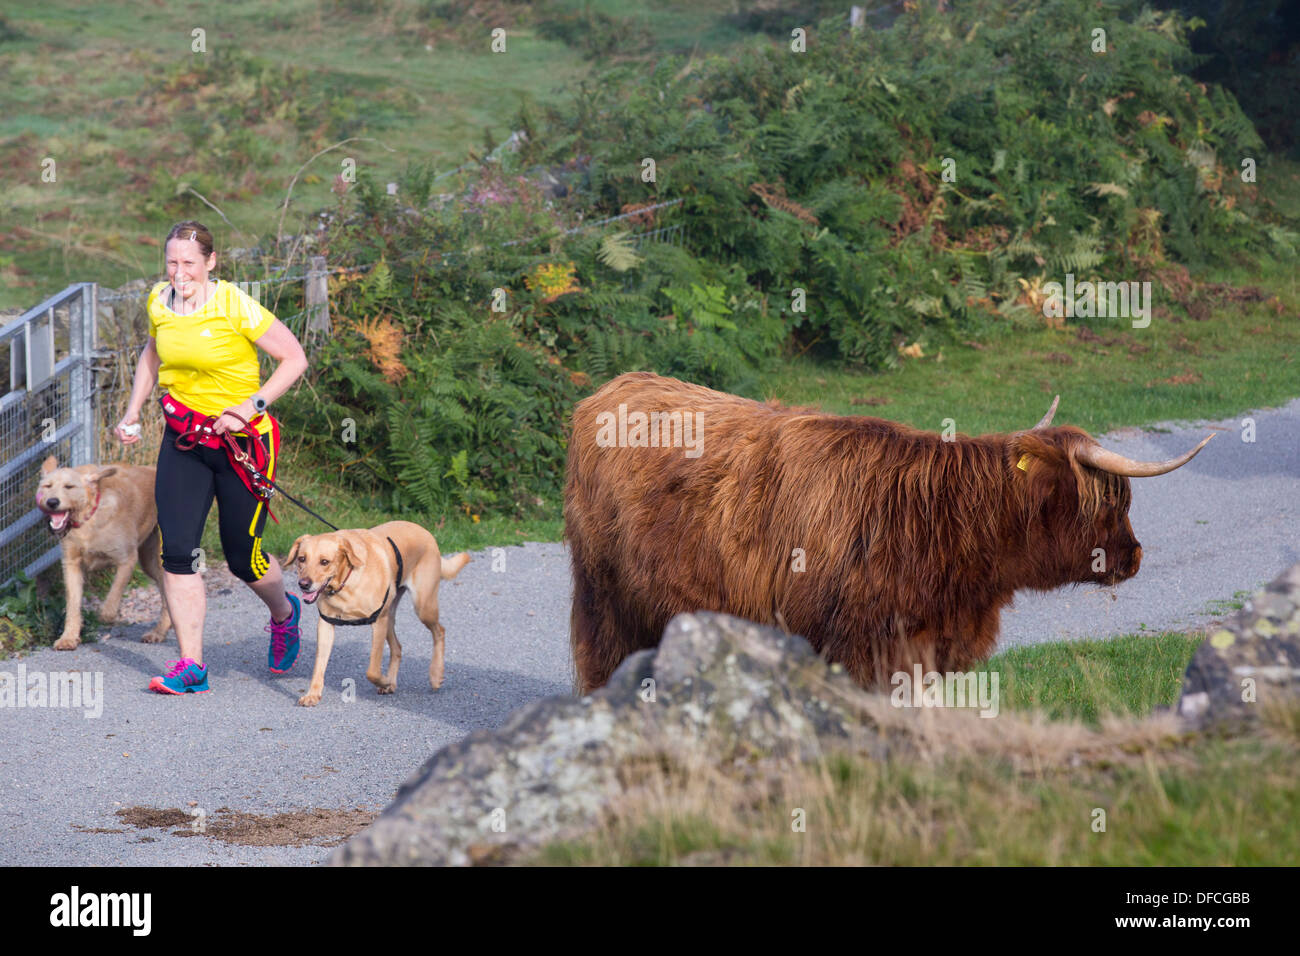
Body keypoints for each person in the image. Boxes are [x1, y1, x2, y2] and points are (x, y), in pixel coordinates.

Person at [116, 220, 309, 694]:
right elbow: (152, 353)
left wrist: (249, 408)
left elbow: (295, 358)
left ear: (211, 263)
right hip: (185, 440)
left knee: (244, 557)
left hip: (244, 446)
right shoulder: (159, 300)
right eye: (172, 262)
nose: (179, 273)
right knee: (177, 550)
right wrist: (133, 410)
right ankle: (191, 666)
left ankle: (284, 614)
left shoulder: (233, 304)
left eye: (189, 263)